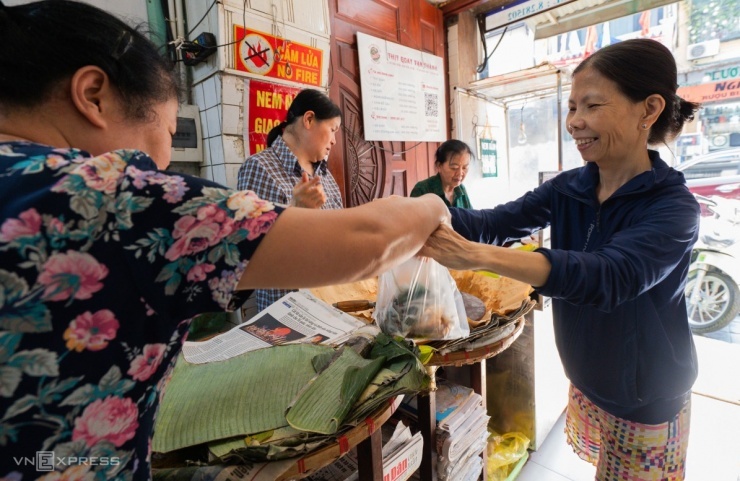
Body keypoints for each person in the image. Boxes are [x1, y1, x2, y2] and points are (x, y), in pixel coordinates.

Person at [0, 2, 449, 480]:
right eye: (169, 130)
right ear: (93, 95)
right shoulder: (112, 195)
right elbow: (367, 238)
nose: (166, 156)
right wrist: (435, 206)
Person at [421, 39, 701, 481]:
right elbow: (495, 222)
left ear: (648, 110)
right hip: (589, 381)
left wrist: (474, 256)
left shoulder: (674, 208)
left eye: (590, 105)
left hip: (646, 400)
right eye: (571, 107)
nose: (574, 122)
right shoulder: (570, 187)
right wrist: (420, 213)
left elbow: (609, 276)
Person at [237, 88, 344, 311]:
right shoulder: (260, 167)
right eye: (332, 130)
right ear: (309, 119)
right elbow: (252, 254)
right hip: (288, 310)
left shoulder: (324, 174)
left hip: (331, 302)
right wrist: (297, 212)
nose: (334, 141)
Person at [410, 139, 473, 208]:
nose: (460, 173)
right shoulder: (422, 189)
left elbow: (471, 217)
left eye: (464, 168)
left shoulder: (461, 189)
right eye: (454, 168)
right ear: (439, 166)